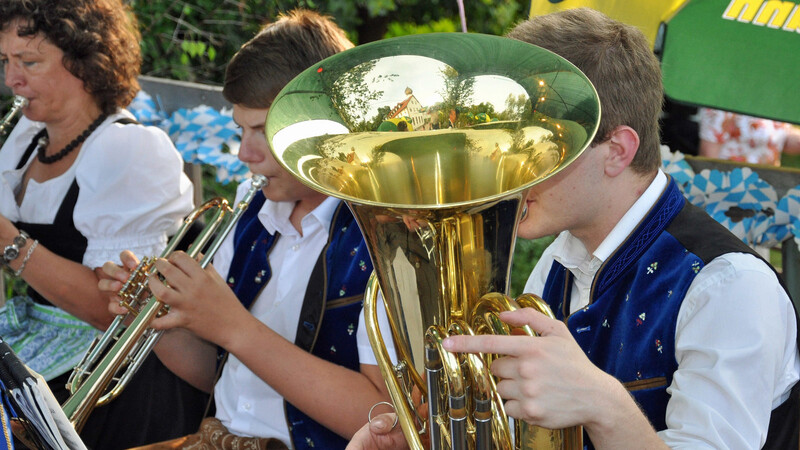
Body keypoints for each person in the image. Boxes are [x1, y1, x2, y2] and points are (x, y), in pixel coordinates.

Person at [347, 7, 800, 449]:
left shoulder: (730, 285)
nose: (503, 173)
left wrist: (604, 406)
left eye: (537, 147)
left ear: (618, 151)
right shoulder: (560, 259)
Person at [101, 9, 393, 450]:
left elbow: (385, 421)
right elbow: (216, 372)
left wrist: (234, 326)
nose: (243, 152)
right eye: (240, 129)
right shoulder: (251, 211)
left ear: (327, 126)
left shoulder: (384, 235)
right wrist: (160, 321)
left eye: (262, 130)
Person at [0, 0, 207, 448]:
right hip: (42, 342)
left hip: (110, 374)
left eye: (28, 63)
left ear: (82, 64)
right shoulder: (25, 139)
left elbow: (112, 310)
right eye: (6, 62)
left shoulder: (127, 150)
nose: (11, 80)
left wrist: (8, 242)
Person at [699, 107, 800, 166]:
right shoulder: (724, 101)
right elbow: (708, 160)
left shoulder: (774, 99)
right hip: (732, 187)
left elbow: (782, 139)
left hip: (767, 187)